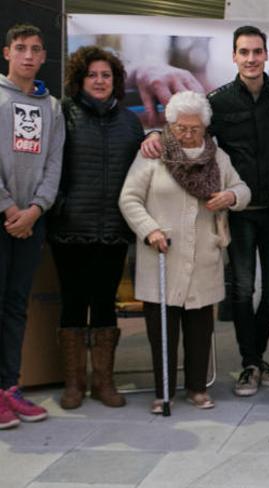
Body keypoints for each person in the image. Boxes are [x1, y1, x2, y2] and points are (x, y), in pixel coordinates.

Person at [141, 25, 269, 397]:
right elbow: (188, 134)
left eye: (257, 52)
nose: (251, 58)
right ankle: (251, 364)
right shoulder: (218, 100)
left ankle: (255, 356)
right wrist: (152, 135)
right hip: (239, 211)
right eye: (244, 52)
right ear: (234, 56)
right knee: (243, 288)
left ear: (266, 55)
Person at [120, 91, 251, 413]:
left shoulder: (217, 157)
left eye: (194, 128)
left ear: (205, 127)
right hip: (162, 253)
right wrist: (149, 229)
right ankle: (162, 392)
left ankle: (196, 388)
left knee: (199, 329)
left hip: (204, 256)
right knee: (162, 329)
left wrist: (231, 198)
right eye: (181, 128)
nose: (188, 134)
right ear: (171, 124)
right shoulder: (153, 154)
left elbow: (243, 189)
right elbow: (129, 198)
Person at [48, 46, 145, 410]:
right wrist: (59, 206)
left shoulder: (129, 121)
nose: (100, 81)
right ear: (80, 79)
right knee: (73, 303)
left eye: (106, 75)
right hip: (70, 228)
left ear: (115, 80)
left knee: (104, 304)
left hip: (115, 228)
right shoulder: (63, 114)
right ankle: (74, 384)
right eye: (92, 75)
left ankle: (104, 382)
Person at [0, 23, 64, 429]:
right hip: (4, 218)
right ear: (7, 52)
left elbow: (55, 164)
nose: (28, 55)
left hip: (31, 222)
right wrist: (9, 208)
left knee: (15, 307)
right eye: (20, 48)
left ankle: (9, 388)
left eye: (35, 49)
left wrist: (36, 210)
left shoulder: (52, 107)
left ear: (43, 57)